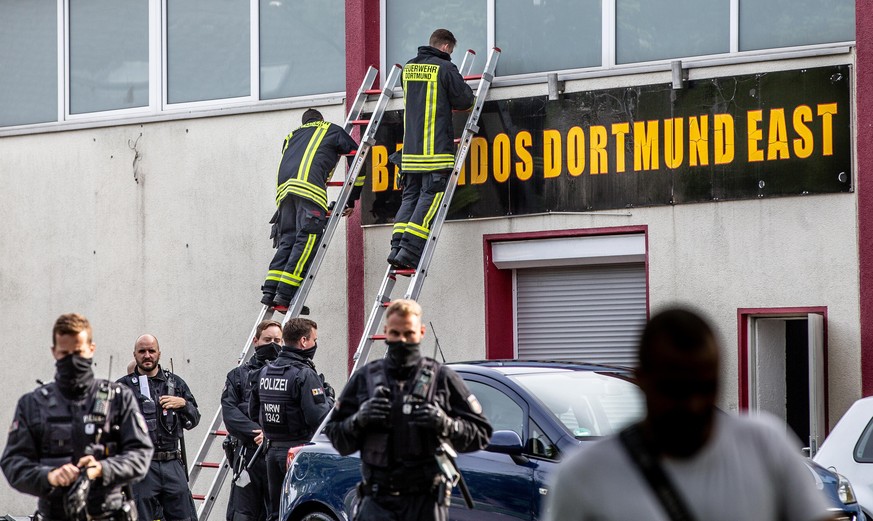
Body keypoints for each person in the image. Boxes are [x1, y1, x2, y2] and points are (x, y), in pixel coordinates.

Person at [545, 307, 838, 521]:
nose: (694, 404)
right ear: (640, 380)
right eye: (676, 389)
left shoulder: (764, 443)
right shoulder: (585, 475)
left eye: (706, 386)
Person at [324, 299, 491, 521]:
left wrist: (446, 424)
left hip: (425, 503)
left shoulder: (442, 378)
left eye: (409, 334)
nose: (402, 340)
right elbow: (335, 435)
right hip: (377, 503)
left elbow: (481, 433)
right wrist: (359, 419)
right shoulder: (365, 379)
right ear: (385, 333)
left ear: (421, 332)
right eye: (395, 333)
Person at [1, 313, 153, 520]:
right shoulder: (33, 404)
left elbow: (141, 454)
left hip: (107, 513)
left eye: (78, 352)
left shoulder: (118, 399)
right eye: (65, 353)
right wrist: (49, 476)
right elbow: (13, 463)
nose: (72, 360)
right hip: (55, 513)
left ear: (91, 349)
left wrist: (102, 468)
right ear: (54, 352)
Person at [387, 29, 475, 270]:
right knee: (430, 198)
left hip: (410, 153)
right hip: (435, 152)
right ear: (446, 47)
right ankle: (409, 252)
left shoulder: (408, 69)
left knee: (410, 198)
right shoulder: (445, 68)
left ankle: (396, 247)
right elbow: (465, 101)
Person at [261, 108, 360, 309]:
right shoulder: (331, 130)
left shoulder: (292, 136)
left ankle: (270, 291)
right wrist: (351, 198)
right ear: (320, 120)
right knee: (307, 240)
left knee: (288, 239)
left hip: (284, 194)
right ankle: (286, 294)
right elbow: (358, 156)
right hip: (309, 192)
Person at [249, 317, 336, 521]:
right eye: (314, 339)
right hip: (297, 454)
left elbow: (254, 412)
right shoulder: (304, 374)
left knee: (276, 513)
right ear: (304, 341)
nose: (315, 344)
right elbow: (320, 419)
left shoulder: (265, 371)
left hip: (272, 454)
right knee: (300, 510)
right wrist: (329, 400)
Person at [118, 334, 201, 521]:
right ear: (135, 354)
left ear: (159, 353)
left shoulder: (176, 384)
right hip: (141, 466)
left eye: (151, 351)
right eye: (142, 351)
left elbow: (194, 419)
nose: (147, 355)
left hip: (172, 462)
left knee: (184, 516)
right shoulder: (122, 387)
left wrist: (183, 404)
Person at [220, 320, 283, 521]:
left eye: (277, 340)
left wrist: (270, 435)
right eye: (267, 339)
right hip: (248, 456)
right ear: (256, 341)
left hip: (277, 456)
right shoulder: (238, 375)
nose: (272, 344)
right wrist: (257, 432)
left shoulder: (290, 375)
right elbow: (230, 414)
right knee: (242, 514)